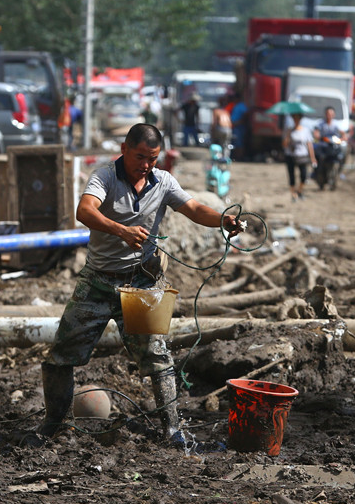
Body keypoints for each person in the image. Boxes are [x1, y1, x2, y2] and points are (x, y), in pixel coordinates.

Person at [39, 123, 239, 446]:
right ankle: (53, 424)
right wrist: (121, 230)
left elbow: (192, 208)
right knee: (59, 356)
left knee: (157, 356)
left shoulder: (163, 182)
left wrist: (222, 221)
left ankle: (172, 428)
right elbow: (84, 210)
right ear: (124, 149)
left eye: (153, 158)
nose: (146, 164)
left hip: (141, 284)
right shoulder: (104, 177)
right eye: (140, 156)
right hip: (98, 281)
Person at [282, 112, 317, 201]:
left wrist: (312, 157)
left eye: (297, 118)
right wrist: (288, 135)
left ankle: (300, 191)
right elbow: (285, 144)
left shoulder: (305, 130)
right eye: (294, 118)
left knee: (304, 176)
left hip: (302, 156)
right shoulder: (289, 130)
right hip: (291, 156)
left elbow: (309, 145)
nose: (296, 120)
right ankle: (294, 194)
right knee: (291, 176)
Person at [230, 94, 248, 161]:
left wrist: (240, 122)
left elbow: (246, 114)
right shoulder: (236, 106)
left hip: (239, 127)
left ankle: (239, 158)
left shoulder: (242, 106)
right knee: (236, 143)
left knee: (239, 143)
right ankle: (236, 157)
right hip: (235, 126)